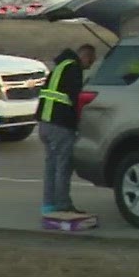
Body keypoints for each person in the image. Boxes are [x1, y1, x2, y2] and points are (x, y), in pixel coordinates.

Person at [37, 43, 97, 215]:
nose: (89, 66)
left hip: (45, 123)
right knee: (63, 165)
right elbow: (75, 99)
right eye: (90, 62)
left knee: (51, 166)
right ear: (85, 57)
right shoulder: (74, 69)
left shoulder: (60, 66)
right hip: (60, 125)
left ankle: (48, 204)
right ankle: (63, 204)